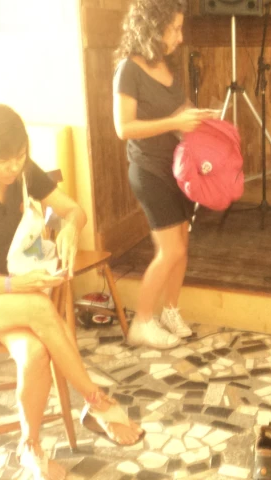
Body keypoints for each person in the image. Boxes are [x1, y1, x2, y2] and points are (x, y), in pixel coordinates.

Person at [0, 104, 143, 480]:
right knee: (39, 308)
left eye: (19, 156)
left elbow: (73, 210)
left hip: (7, 297)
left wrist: (72, 225)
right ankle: (96, 401)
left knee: (36, 351)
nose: (12, 167)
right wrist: (15, 285)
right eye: (2, 159)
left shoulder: (25, 171)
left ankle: (31, 445)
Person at [113, 0, 216, 349]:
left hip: (177, 168)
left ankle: (170, 310)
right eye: (174, 28)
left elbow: (179, 109)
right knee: (169, 250)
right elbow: (123, 127)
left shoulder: (168, 66)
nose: (180, 36)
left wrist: (202, 118)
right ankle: (142, 321)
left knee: (182, 247)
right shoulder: (128, 69)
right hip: (147, 170)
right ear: (152, 29)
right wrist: (176, 123)